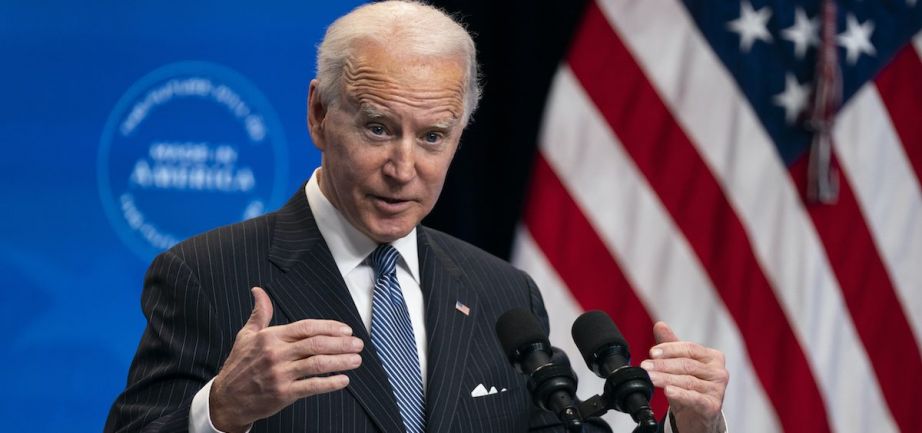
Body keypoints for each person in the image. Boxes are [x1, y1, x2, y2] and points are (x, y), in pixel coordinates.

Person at [105, 2, 728, 433]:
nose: (404, 168)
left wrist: (692, 425)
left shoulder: (501, 294)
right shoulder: (207, 273)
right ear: (320, 114)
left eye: (433, 136)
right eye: (378, 128)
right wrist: (220, 411)